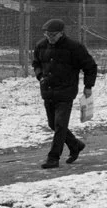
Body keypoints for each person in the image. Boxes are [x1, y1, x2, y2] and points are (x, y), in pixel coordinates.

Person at [32, 17, 98, 169]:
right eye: (47, 34)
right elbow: (36, 63)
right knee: (53, 124)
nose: (50, 37)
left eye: (53, 35)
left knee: (60, 124)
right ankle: (75, 145)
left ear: (61, 33)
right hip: (48, 91)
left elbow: (90, 66)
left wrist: (88, 86)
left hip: (66, 91)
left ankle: (53, 158)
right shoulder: (41, 46)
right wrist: (40, 76)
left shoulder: (74, 47)